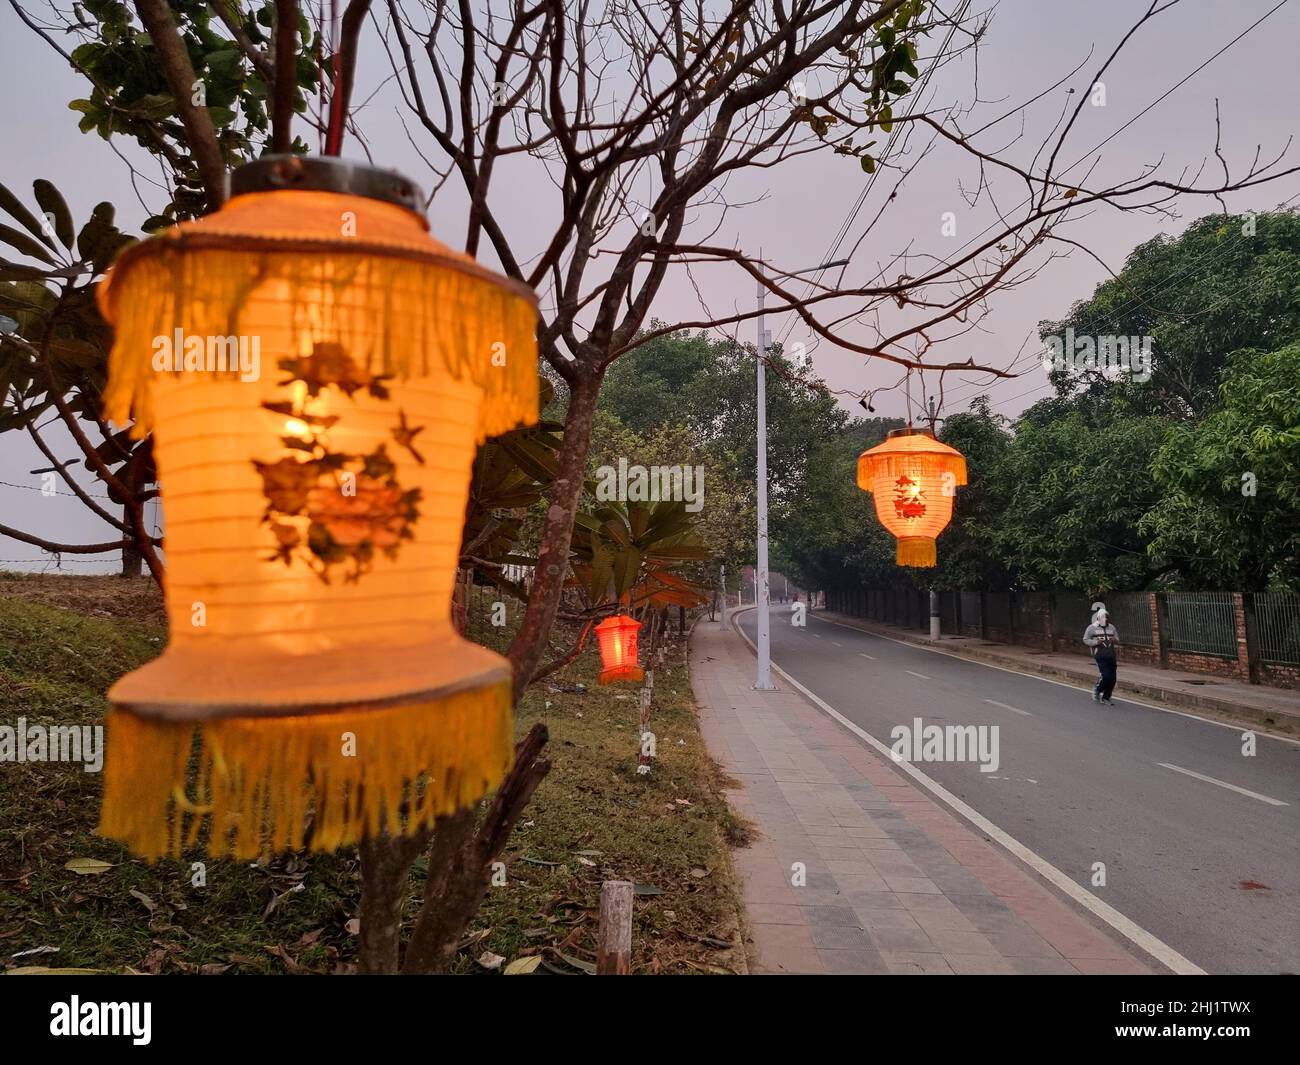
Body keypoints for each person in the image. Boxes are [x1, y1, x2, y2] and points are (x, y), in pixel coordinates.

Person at [1083, 607, 1120, 704]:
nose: (1106, 619)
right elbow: (1086, 639)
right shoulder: (1092, 628)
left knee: (1113, 678)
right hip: (1100, 655)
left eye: (1107, 617)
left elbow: (1117, 639)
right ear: (1098, 618)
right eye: (1103, 617)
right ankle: (1097, 689)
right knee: (1105, 676)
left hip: (1111, 655)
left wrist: (1114, 640)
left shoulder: (1111, 627)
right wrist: (1095, 642)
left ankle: (1106, 697)